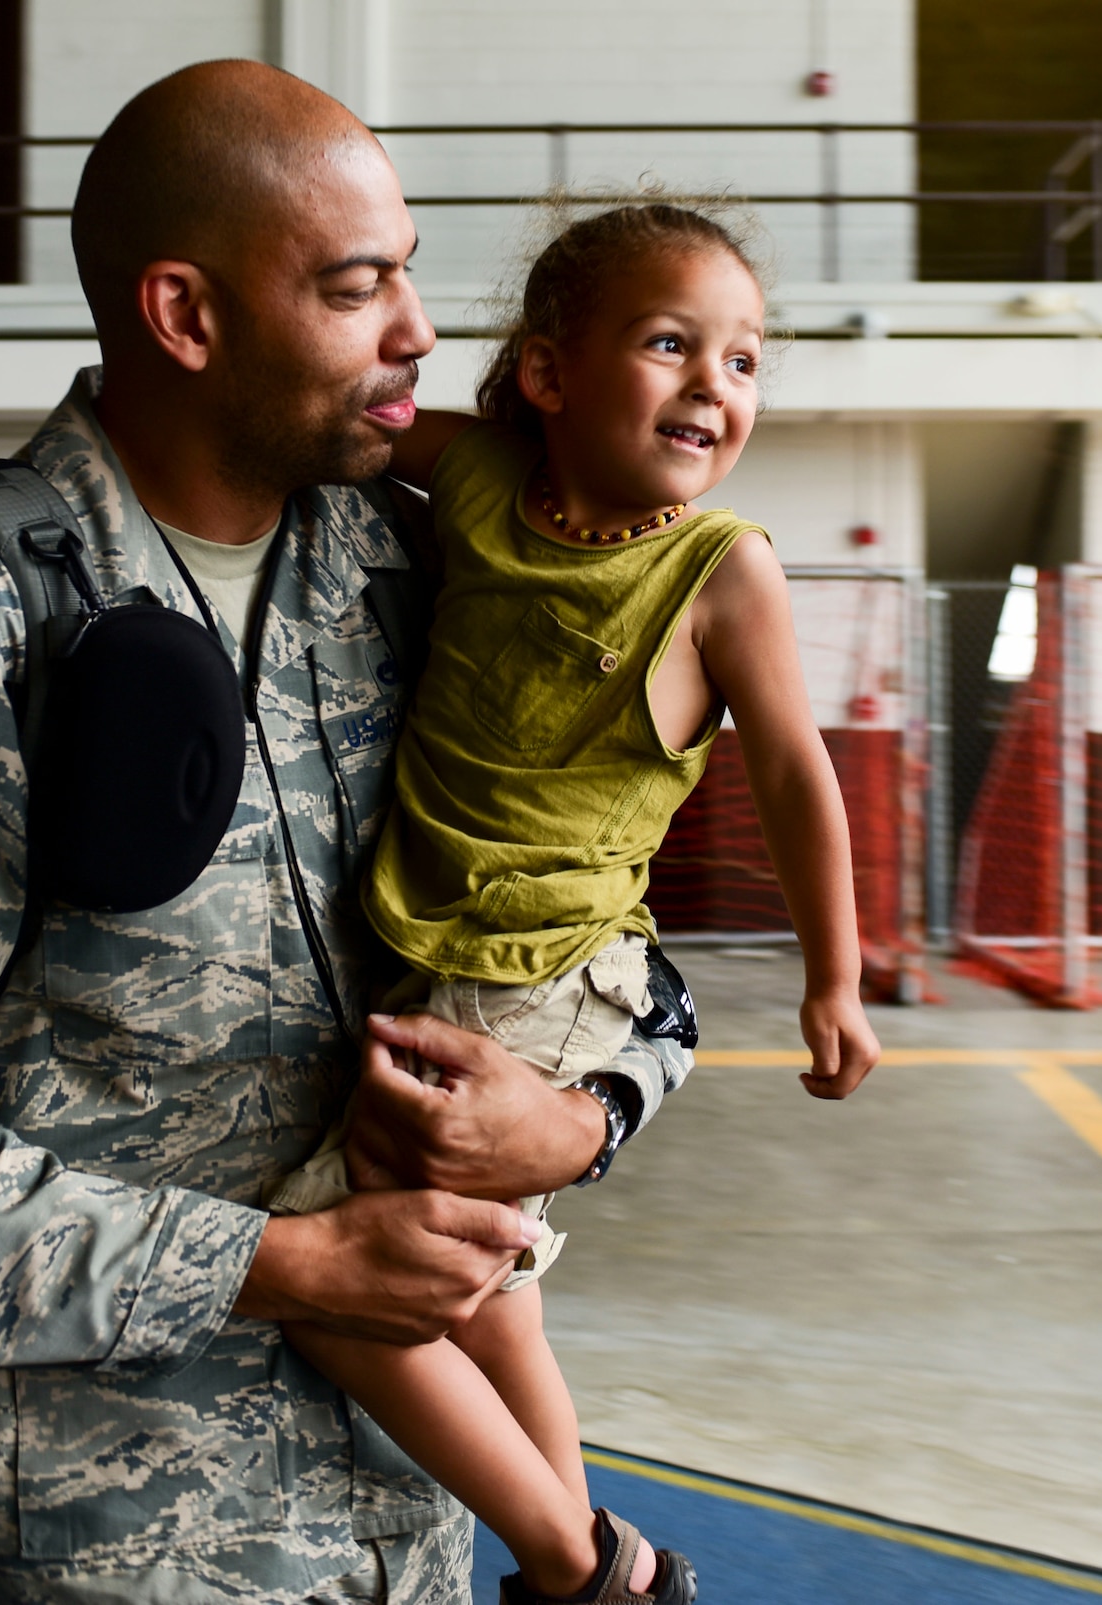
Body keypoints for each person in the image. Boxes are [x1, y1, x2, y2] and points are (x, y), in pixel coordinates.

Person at [0, 61, 691, 1605]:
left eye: (409, 276)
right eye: (358, 285)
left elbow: (604, 929)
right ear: (185, 314)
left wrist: (589, 1112)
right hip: (141, 1560)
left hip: (429, 1544)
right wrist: (284, 1263)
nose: (418, 331)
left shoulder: (416, 574)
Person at [265, 205, 884, 1605]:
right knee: (493, 1304)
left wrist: (833, 978)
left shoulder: (719, 570)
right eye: (672, 345)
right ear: (549, 372)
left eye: (742, 361)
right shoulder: (486, 480)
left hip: (547, 981)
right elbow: (345, 417)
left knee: (332, 1285)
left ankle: (579, 1561)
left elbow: (797, 771)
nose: (714, 385)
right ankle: (589, 1584)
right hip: (428, 953)